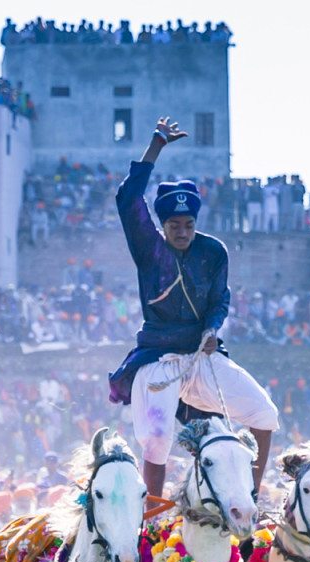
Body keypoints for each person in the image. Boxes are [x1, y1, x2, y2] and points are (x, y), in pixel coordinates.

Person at [109, 115, 279, 496]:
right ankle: (152, 511)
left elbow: (220, 299)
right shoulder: (149, 248)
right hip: (158, 358)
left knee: (265, 414)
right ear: (163, 225)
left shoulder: (213, 250)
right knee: (155, 438)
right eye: (174, 225)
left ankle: (247, 494)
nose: (182, 232)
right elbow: (127, 198)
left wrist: (210, 331)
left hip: (202, 355)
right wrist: (155, 146)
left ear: (194, 222)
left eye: (187, 224)